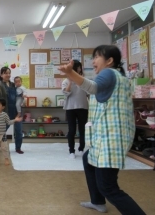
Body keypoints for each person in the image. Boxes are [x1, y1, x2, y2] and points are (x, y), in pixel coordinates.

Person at [59, 45, 145, 214]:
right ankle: (97, 201)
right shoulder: (118, 77)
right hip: (109, 136)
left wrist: (70, 73)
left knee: (109, 187)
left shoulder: (109, 73)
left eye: (97, 57)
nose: (93, 61)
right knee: (87, 159)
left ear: (110, 60)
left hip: (112, 138)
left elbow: (92, 88)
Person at [0, 67, 24, 154]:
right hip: (6, 111)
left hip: (17, 111)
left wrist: (23, 97)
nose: (8, 75)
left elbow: (21, 92)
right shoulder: (0, 84)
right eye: (6, 73)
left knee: (18, 131)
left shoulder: (14, 84)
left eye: (9, 73)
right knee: (2, 130)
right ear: (1, 75)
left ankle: (18, 148)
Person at [61, 60, 88, 159]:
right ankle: (71, 151)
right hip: (70, 108)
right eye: (78, 67)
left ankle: (81, 149)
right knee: (71, 130)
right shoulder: (66, 81)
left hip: (83, 107)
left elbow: (89, 92)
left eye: (80, 67)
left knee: (82, 130)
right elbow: (66, 93)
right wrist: (71, 82)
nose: (79, 69)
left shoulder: (84, 80)